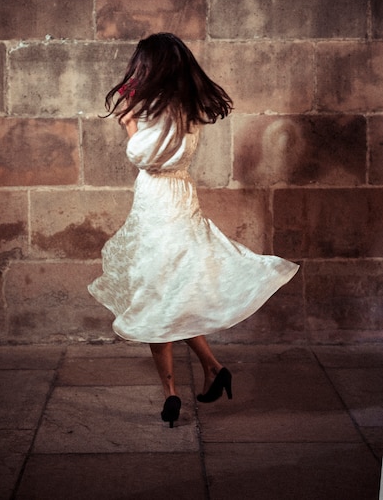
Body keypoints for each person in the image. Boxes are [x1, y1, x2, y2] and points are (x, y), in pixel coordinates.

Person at [88, 33, 299, 428]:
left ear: (150, 67)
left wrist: (129, 126)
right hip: (181, 196)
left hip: (159, 203)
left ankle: (171, 393)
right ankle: (214, 368)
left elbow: (144, 157)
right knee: (173, 297)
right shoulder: (187, 105)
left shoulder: (159, 110)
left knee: (155, 298)